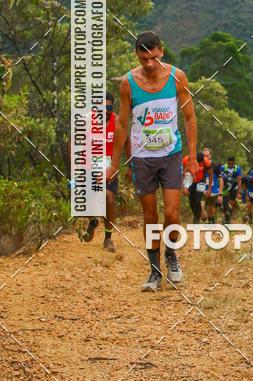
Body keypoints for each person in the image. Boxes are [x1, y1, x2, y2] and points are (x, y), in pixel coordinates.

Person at [106, 31, 199, 291]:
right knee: (150, 215)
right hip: (142, 158)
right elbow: (123, 123)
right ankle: (155, 272)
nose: (149, 63)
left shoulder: (176, 77)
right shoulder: (128, 82)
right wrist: (115, 163)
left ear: (161, 51)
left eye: (153, 57)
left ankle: (171, 254)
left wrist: (192, 156)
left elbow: (190, 117)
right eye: (143, 58)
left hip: (170, 154)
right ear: (137, 55)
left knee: (172, 213)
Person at [81, 91, 130, 252]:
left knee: (109, 198)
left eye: (110, 106)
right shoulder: (87, 120)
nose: (107, 110)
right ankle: (93, 221)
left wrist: (130, 166)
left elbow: (127, 143)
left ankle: (108, 239)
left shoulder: (117, 122)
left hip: (109, 167)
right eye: (103, 107)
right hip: (89, 166)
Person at [183, 149, 211, 223]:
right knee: (192, 201)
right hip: (190, 181)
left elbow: (210, 174)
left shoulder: (206, 162)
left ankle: (196, 219)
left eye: (200, 163)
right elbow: (182, 173)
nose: (198, 164)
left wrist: (209, 188)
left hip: (201, 181)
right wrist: (184, 186)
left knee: (197, 200)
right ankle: (195, 214)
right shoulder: (186, 160)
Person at [220, 156, 242, 224]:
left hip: (234, 187)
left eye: (231, 164)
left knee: (231, 204)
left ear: (234, 163)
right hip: (225, 187)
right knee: (225, 203)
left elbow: (239, 180)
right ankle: (225, 217)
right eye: (229, 164)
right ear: (227, 163)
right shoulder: (223, 167)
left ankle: (229, 217)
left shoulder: (237, 168)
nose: (230, 165)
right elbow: (220, 178)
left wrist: (239, 192)